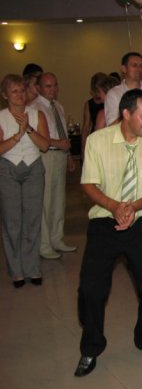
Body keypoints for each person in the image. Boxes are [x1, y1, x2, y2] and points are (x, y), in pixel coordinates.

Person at [74, 89, 142, 378]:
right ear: (126, 114)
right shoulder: (98, 141)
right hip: (104, 222)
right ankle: (91, 347)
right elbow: (88, 183)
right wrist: (115, 206)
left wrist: (132, 207)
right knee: (91, 290)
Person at [0, 74, 50, 287]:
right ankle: (16, 270)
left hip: (33, 168)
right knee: (12, 222)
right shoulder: (1, 117)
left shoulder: (37, 114)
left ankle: (32, 267)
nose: (19, 95)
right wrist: (17, 136)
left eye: (22, 90)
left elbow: (45, 146)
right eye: (14, 91)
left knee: (32, 219)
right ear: (5, 95)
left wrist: (28, 129)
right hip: (8, 169)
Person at [32, 72, 77, 259]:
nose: (53, 89)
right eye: (48, 86)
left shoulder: (58, 106)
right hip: (46, 155)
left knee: (59, 200)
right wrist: (58, 144)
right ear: (38, 88)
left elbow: (62, 132)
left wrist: (68, 156)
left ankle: (57, 238)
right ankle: (44, 245)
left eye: (55, 85)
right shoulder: (34, 107)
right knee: (46, 201)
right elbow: (36, 137)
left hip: (60, 155)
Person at [104, 52, 142, 128]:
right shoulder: (114, 94)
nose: (139, 69)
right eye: (134, 65)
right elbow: (111, 127)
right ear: (124, 69)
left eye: (141, 66)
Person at [80, 72, 107, 157]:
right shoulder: (89, 104)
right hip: (96, 136)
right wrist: (83, 148)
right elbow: (86, 127)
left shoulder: (110, 101)